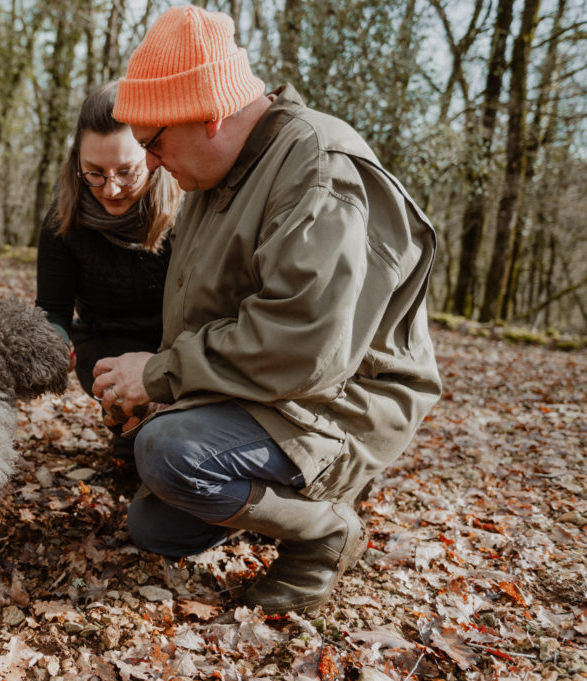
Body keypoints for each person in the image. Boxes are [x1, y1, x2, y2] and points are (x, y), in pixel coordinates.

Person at [90, 5, 442, 614]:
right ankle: (270, 495)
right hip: (272, 393)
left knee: (171, 453)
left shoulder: (319, 171)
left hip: (339, 406)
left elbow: (303, 346)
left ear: (213, 114)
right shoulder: (216, 173)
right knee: (156, 527)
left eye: (154, 143)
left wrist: (159, 375)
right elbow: (207, 314)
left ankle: (324, 531)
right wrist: (160, 391)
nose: (148, 163)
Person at [35, 81, 182, 460]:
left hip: (177, 345)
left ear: (151, 155)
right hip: (103, 344)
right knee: (137, 441)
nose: (111, 189)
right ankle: (129, 430)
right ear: (77, 162)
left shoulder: (187, 209)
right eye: (95, 173)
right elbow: (53, 309)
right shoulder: (61, 223)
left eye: (127, 172)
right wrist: (54, 340)